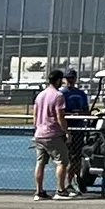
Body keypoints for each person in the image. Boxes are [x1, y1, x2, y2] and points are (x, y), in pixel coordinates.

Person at [32, 64, 69, 199]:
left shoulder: (40, 95)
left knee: (40, 163)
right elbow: (60, 116)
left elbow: (35, 116)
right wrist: (66, 131)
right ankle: (60, 190)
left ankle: (39, 191)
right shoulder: (58, 95)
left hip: (39, 133)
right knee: (62, 161)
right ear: (58, 80)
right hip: (53, 134)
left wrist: (37, 128)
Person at [60, 66, 93, 195]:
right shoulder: (61, 93)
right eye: (68, 78)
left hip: (78, 129)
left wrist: (81, 114)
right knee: (66, 158)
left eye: (72, 78)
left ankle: (75, 179)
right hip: (66, 129)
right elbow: (60, 112)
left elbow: (86, 110)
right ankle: (67, 183)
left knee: (76, 157)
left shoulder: (81, 94)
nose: (70, 80)